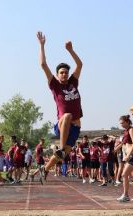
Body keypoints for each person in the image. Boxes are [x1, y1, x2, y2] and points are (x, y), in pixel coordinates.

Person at [36, 31, 83, 180]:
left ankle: (45, 169)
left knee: (59, 157)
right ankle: (61, 149)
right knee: (67, 115)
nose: (64, 74)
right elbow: (43, 65)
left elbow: (80, 64)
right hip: (62, 124)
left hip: (75, 128)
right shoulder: (55, 86)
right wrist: (42, 45)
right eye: (61, 72)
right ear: (57, 75)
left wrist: (70, 50)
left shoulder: (73, 82)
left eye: (66, 72)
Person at [116, 115, 133, 202]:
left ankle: (126, 195)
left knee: (124, 174)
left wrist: (128, 155)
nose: (121, 125)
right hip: (129, 155)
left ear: (127, 122)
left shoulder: (131, 130)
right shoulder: (126, 131)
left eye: (122, 123)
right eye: (120, 123)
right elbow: (124, 143)